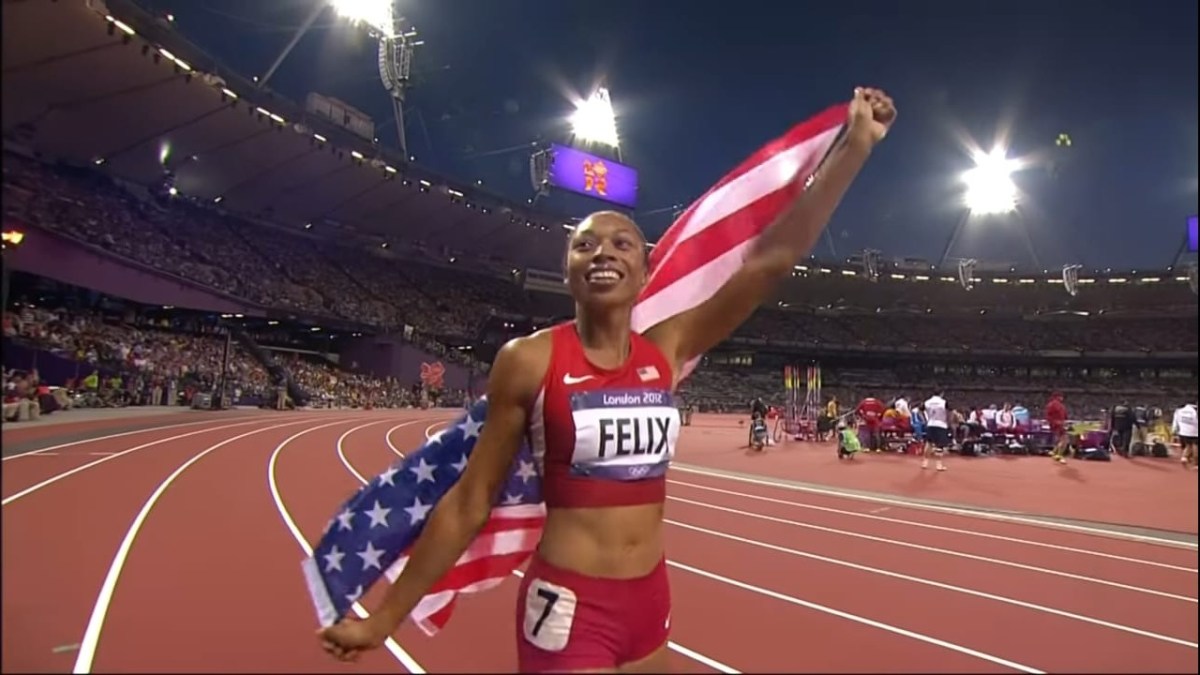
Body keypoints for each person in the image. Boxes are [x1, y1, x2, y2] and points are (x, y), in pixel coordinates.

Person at [317, 88, 897, 672]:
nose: (603, 252)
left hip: (650, 598)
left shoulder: (667, 349)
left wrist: (854, 148)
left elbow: (769, 261)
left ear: (644, 272)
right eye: (584, 244)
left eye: (622, 243)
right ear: (566, 268)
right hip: (569, 604)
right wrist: (384, 618)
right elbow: (469, 502)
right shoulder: (529, 360)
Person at [922, 391, 950, 471]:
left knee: (928, 443)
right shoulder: (944, 402)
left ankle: (925, 462)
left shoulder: (927, 402)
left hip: (930, 424)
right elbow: (948, 412)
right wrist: (947, 422)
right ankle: (939, 464)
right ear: (941, 393)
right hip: (941, 424)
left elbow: (920, 409)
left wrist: (925, 419)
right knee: (940, 445)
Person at [1172, 400, 1198, 469]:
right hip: (1195, 432)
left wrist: (1174, 430)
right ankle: (1196, 464)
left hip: (1183, 432)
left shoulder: (1179, 410)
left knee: (1188, 445)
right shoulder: (1195, 410)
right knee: (1195, 447)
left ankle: (1184, 457)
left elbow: (1175, 421)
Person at [1046, 392, 1069, 463]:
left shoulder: (1050, 404)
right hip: (1059, 424)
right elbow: (1065, 416)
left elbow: (1048, 416)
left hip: (1055, 424)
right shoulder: (1059, 405)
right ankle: (1059, 455)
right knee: (1065, 440)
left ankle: (1054, 452)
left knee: (1060, 439)